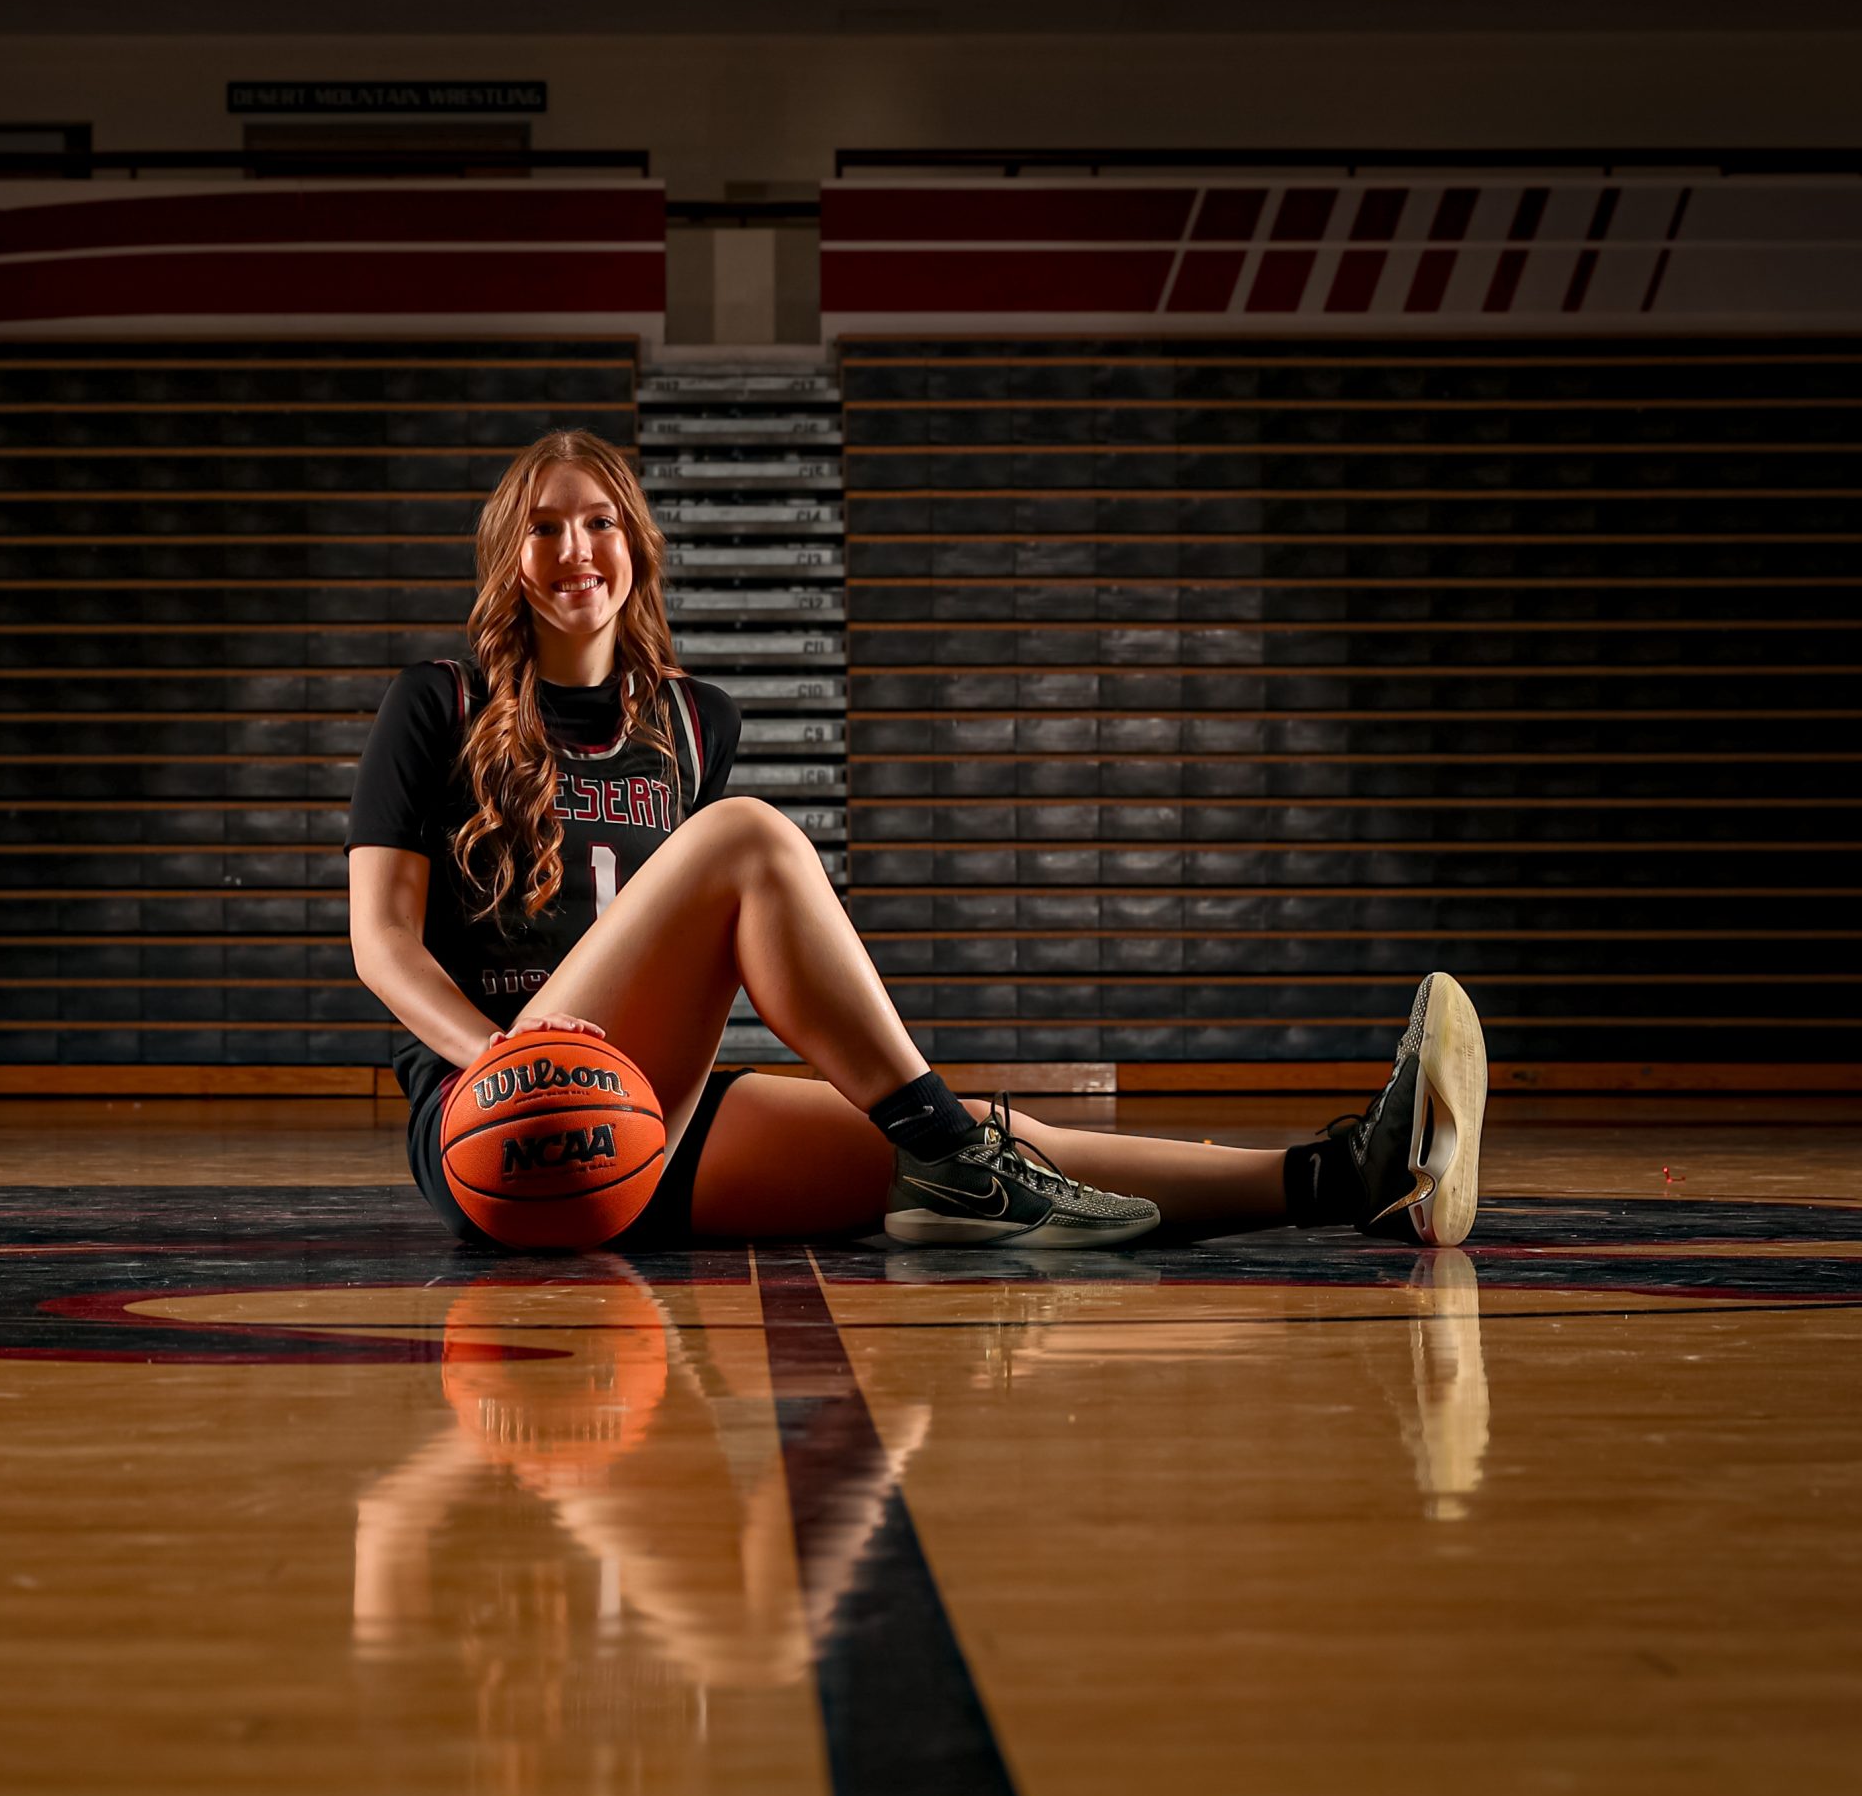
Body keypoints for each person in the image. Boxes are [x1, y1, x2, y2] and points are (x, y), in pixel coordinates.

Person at [345, 429, 1487, 1252]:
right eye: (542, 526)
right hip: (491, 1113)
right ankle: (951, 1150)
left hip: (651, 1113)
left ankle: (1348, 1179)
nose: (574, 546)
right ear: (508, 556)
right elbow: (383, 946)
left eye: (598, 520)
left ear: (635, 544)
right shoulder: (436, 701)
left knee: (1007, 1136)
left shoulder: (694, 720)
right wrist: (500, 1054)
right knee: (745, 843)